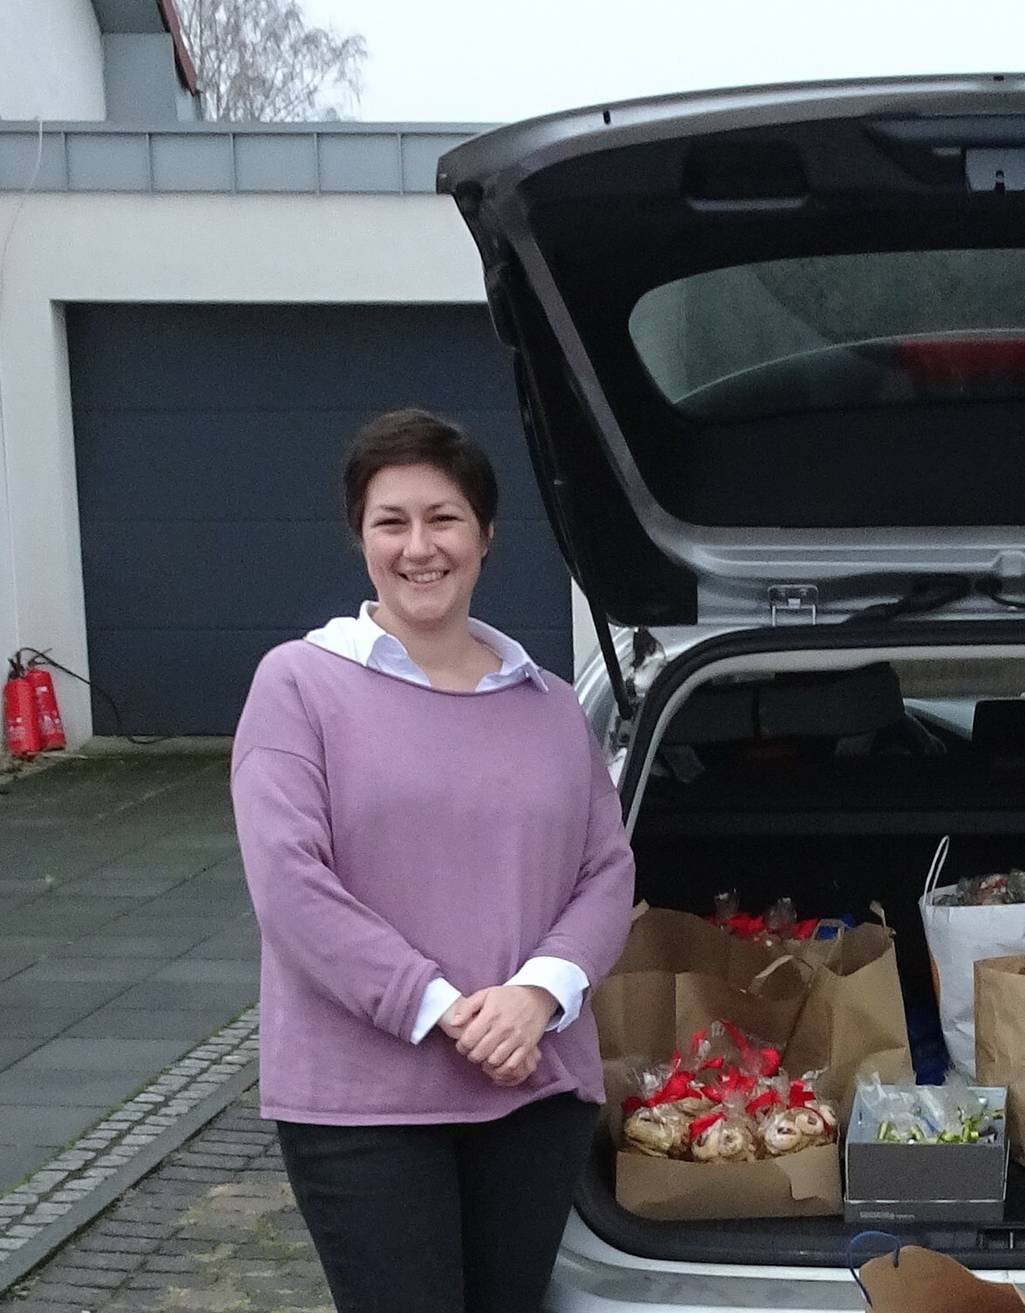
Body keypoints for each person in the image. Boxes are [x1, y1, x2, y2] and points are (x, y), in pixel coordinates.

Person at [231, 409, 635, 1313]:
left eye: (444, 518)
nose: (421, 547)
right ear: (360, 538)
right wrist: (443, 1008)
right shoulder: (299, 685)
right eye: (392, 521)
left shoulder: (549, 702)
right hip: (365, 1105)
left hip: (534, 1086)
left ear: (486, 535)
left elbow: (606, 870)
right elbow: (292, 886)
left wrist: (538, 993)